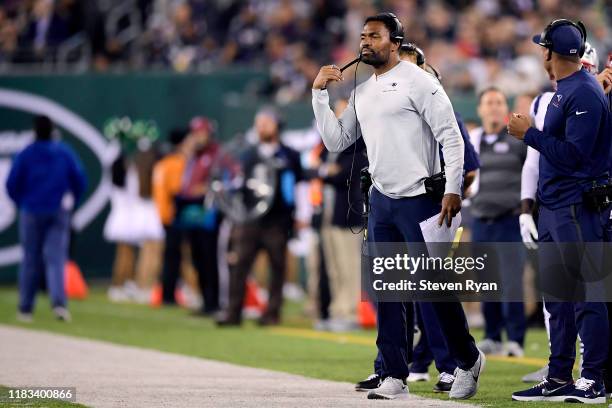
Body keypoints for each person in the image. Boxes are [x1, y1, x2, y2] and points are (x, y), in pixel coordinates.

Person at [312, 12, 484, 400]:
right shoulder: (362, 91)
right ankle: (394, 374)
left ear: (395, 41)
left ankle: (467, 359)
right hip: (383, 201)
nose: (365, 42)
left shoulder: (418, 82)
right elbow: (337, 141)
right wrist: (318, 96)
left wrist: (453, 189)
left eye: (374, 36)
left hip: (422, 198)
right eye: (362, 36)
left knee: (433, 290)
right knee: (388, 291)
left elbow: (452, 138)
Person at [509, 20, 611, 403]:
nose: (540, 53)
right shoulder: (567, 89)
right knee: (559, 299)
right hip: (555, 207)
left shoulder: (582, 92)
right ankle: (557, 376)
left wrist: (529, 135)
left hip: (576, 207)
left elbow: (576, 157)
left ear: (552, 52)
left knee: (588, 296)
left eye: (543, 47)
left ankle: (594, 379)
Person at [396, 44, 481, 393]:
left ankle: (452, 364)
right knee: (402, 289)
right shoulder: (391, 108)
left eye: (410, 67)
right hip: (398, 207)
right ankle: (399, 365)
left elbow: (470, 167)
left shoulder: (438, 104)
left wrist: (449, 192)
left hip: (433, 207)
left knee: (433, 289)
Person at [216, 107, 303, 326]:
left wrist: (298, 215)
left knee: (277, 268)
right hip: (250, 220)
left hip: (277, 222)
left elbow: (299, 186)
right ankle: (233, 312)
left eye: (267, 122)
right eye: (259, 122)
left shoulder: (289, 154)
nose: (262, 126)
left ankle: (272, 313)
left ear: (277, 125)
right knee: (240, 266)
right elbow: (236, 184)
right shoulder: (248, 154)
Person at [6, 115, 87, 322]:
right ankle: (59, 303)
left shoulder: (26, 153)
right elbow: (79, 180)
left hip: (31, 211)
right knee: (56, 258)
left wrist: (22, 203)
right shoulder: (63, 152)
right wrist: (71, 202)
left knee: (30, 260)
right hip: (57, 211)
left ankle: (25, 308)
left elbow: (12, 184)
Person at [469, 87, 527, 357]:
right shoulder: (472, 141)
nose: (493, 107)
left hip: (509, 220)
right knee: (486, 281)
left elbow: (531, 176)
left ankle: (515, 339)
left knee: (512, 282)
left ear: (506, 108)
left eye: (499, 102)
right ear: (480, 109)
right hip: (481, 220)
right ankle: (492, 335)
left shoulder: (518, 140)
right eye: (488, 102)